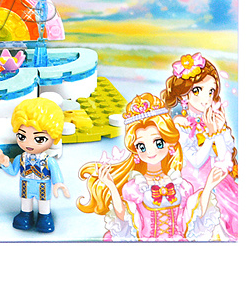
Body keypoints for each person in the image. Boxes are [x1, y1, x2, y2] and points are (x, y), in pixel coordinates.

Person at [78, 93, 225, 240]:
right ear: (136, 151)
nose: (150, 152)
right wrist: (111, 186)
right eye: (141, 147)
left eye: (158, 143)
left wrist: (209, 186)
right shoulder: (133, 188)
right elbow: (123, 216)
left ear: (170, 143)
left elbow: (193, 214)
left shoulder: (182, 185)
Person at [161, 53, 238, 239]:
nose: (206, 98)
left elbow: (224, 160)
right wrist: (211, 135)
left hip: (217, 182)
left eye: (211, 92)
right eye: (197, 90)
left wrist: (218, 131)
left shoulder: (213, 120)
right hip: (191, 185)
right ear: (185, 94)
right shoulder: (180, 124)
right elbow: (195, 161)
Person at [0, 97, 69, 232]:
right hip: (26, 184)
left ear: (54, 137)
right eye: (22, 137)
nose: (29, 144)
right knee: (26, 202)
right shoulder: (21, 158)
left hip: (42, 185)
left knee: (44, 204)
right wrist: (5, 163)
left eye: (39, 139)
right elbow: (13, 171)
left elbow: (55, 173)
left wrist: (58, 183)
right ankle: (26, 215)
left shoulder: (48, 161)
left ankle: (45, 216)